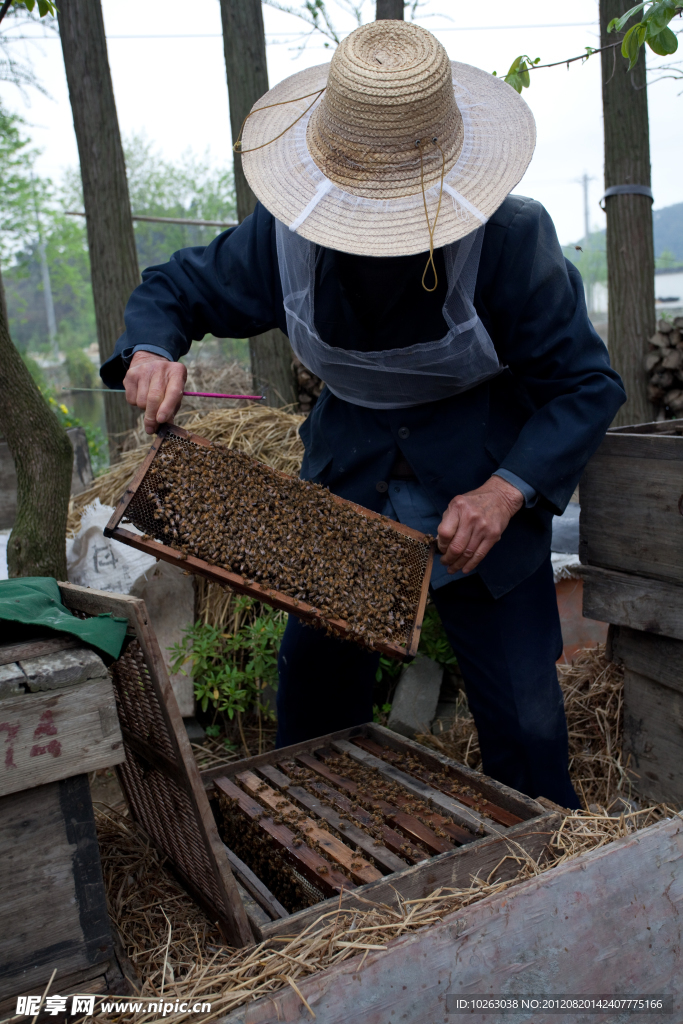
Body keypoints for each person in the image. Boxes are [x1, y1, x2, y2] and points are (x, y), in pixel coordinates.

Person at [102, 21, 625, 808]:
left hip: (481, 499)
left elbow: (586, 385)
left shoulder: (512, 240)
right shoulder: (284, 237)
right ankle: (312, 861)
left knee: (527, 724)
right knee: (312, 706)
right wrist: (149, 349)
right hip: (348, 492)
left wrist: (506, 490)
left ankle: (542, 879)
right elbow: (174, 290)